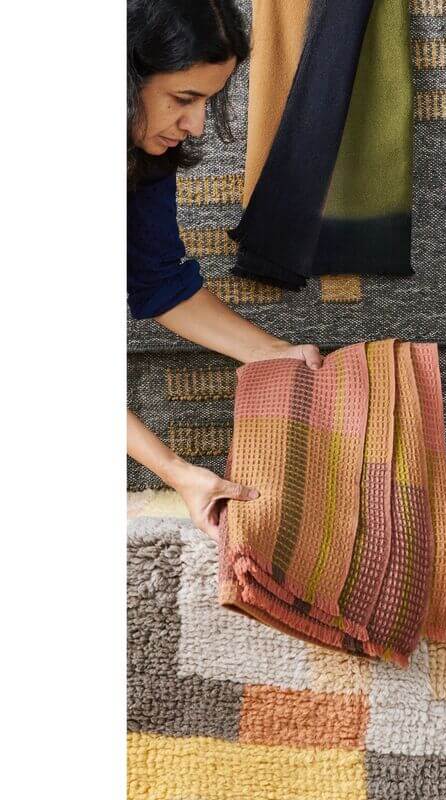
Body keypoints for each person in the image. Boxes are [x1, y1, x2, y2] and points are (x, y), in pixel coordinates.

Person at [127, 0, 323, 540]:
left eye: (206, 103)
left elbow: (160, 284)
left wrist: (276, 356)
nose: (194, 126)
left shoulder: (143, 152)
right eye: (183, 100)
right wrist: (177, 473)